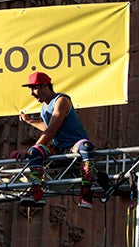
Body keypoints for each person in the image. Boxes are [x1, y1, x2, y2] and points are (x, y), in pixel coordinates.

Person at [14, 71, 107, 208]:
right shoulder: (44, 107)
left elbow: (52, 130)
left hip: (75, 144)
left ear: (45, 86)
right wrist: (30, 121)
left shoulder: (61, 100)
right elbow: (49, 127)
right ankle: (36, 192)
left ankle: (86, 191)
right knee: (35, 152)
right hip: (59, 147)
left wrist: (29, 149)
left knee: (86, 146)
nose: (31, 93)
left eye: (34, 88)